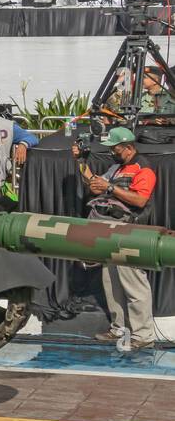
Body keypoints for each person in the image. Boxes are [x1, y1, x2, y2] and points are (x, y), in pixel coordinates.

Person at [75, 127, 157, 350]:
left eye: (116, 149)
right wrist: (81, 161)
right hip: (108, 229)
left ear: (129, 147)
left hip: (128, 230)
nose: (112, 153)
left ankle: (143, 335)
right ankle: (119, 327)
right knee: (110, 279)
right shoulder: (116, 167)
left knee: (133, 283)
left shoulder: (143, 168)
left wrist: (109, 188)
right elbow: (93, 184)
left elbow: (139, 201)